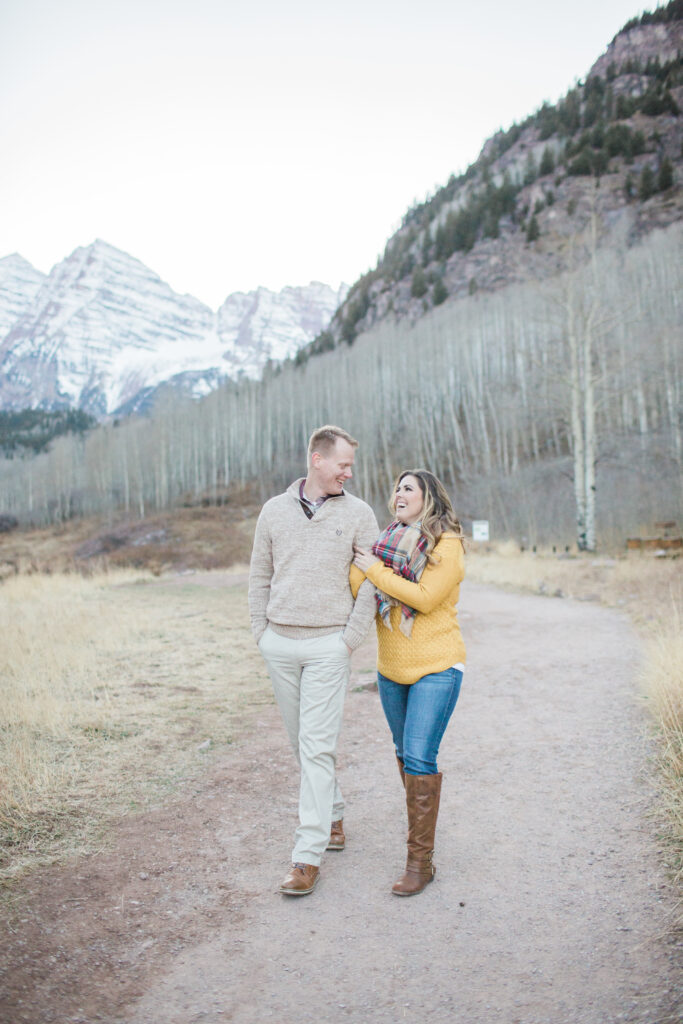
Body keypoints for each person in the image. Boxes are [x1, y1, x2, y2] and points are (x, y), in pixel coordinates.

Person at [248, 425, 379, 896]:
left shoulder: (361, 513)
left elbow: (373, 579)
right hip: (279, 644)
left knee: (317, 745)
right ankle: (335, 814)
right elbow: (259, 574)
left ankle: (307, 855)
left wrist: (348, 640)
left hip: (329, 647)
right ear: (316, 459)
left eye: (351, 466)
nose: (348, 473)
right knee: (300, 744)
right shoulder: (273, 512)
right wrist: (261, 633)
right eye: (342, 464)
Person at [352, 469, 466, 896]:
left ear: (427, 498)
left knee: (419, 757)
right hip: (391, 669)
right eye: (396, 488)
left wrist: (374, 571)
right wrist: (364, 567)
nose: (398, 494)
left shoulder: (446, 544)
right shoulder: (384, 542)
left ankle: (420, 863)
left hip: (438, 666)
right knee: (404, 754)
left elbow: (423, 597)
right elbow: (356, 585)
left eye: (408, 488)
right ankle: (422, 839)